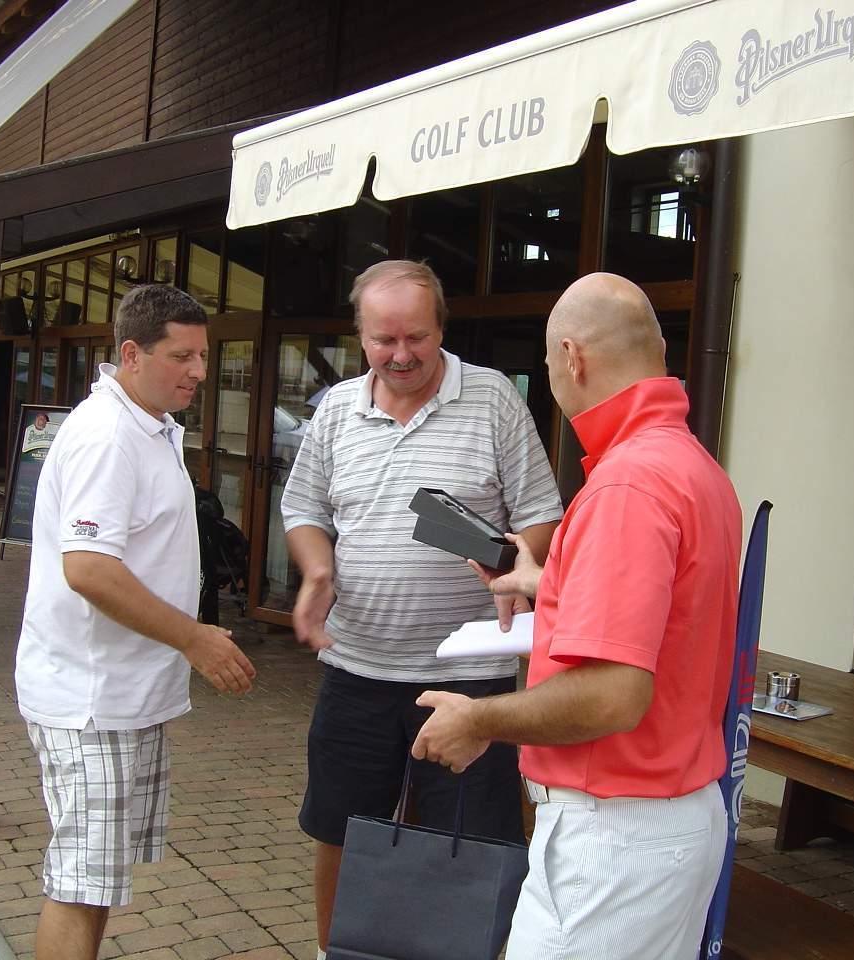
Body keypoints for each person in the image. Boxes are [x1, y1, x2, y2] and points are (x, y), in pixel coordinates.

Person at [412, 272, 742, 960]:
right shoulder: (692, 466)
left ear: (572, 357)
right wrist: (548, 581)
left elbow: (614, 693)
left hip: (616, 836)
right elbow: (671, 619)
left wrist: (478, 719)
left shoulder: (626, 483)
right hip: (671, 817)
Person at [282, 260, 563, 958]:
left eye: (417, 337)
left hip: (470, 678)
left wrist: (518, 560)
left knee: (468, 843)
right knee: (343, 832)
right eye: (384, 340)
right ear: (360, 336)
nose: (401, 355)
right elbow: (304, 508)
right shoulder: (337, 409)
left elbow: (540, 513)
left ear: (442, 327)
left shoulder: (493, 399)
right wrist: (318, 570)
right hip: (358, 667)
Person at [14, 284, 257, 960]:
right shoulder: (108, 435)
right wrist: (194, 637)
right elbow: (89, 569)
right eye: (182, 357)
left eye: (203, 356)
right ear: (131, 354)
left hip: (120, 697)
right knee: (79, 883)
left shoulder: (148, 424)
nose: (199, 372)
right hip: (91, 699)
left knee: (97, 882)